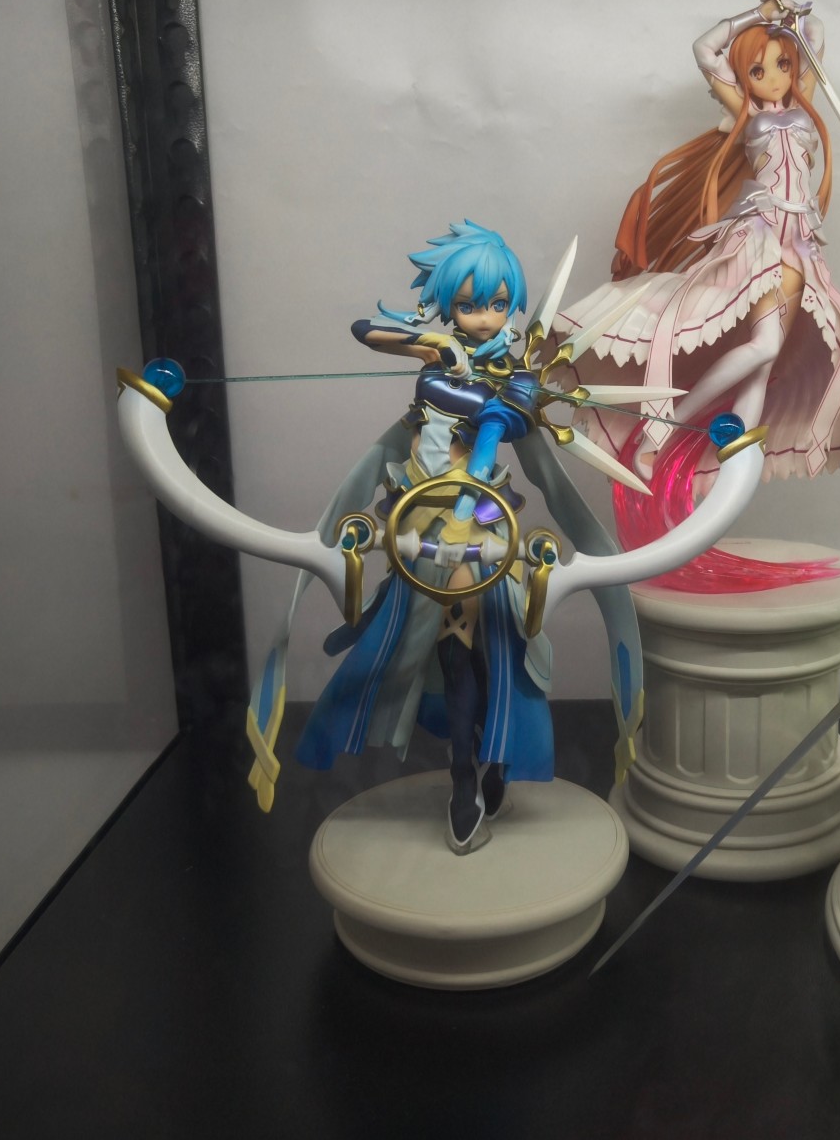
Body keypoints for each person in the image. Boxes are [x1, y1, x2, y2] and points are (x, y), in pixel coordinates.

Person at [246, 222, 642, 855]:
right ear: (448, 305)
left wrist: (517, 403)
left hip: (483, 520)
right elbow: (366, 331)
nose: (484, 318)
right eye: (468, 305)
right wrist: (437, 344)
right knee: (454, 652)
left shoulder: (512, 369)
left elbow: (518, 427)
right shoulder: (439, 361)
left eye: (497, 304)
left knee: (494, 648)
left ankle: (487, 766)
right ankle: (468, 774)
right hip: (423, 518)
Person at [556, 0, 840, 590]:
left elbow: (815, 36)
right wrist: (758, 14)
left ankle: (732, 448)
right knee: (763, 347)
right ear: (745, 79)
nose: (774, 77)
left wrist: (786, 10)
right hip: (761, 241)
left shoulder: (803, 104)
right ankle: (660, 426)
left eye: (782, 65)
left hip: (800, 244)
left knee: (767, 362)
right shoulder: (746, 114)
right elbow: (705, 49)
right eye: (760, 70)